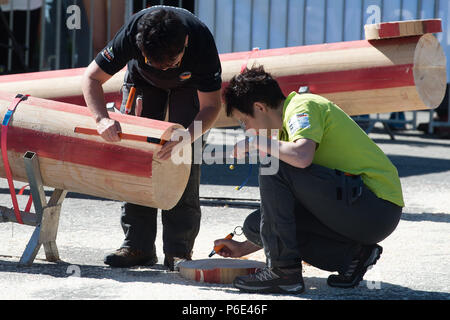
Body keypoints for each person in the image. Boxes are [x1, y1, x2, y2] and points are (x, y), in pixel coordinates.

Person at [215, 66, 404, 294]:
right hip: (356, 209)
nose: (246, 129)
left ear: (259, 107)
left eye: (244, 121)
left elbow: (302, 156)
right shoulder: (284, 132)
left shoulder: (301, 106)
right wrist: (243, 248)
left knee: (274, 163)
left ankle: (284, 273)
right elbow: (280, 215)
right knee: (254, 226)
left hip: (375, 207)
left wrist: (256, 142)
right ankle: (353, 256)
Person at [81, 6, 222, 270]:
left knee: (183, 161)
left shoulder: (201, 41)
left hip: (189, 89)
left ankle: (179, 252)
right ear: (140, 48)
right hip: (142, 84)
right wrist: (101, 119)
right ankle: (137, 245)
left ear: (186, 43)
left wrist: (186, 137)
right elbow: (91, 78)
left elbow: (212, 106)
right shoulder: (133, 32)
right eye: (155, 62)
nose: (165, 68)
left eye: (171, 63)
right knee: (138, 159)